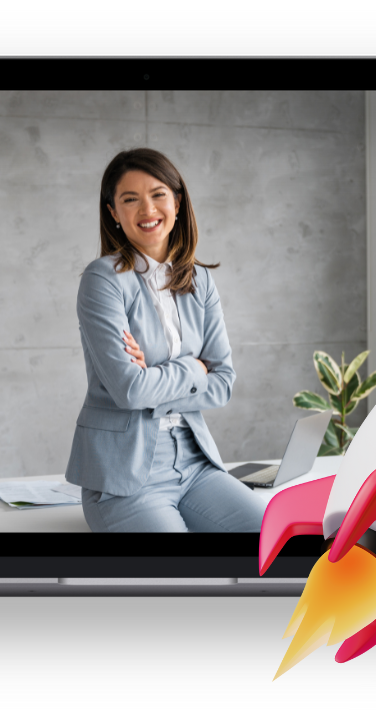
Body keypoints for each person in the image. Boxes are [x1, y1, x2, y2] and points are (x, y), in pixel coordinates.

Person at [65, 148, 265, 532]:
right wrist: (193, 368)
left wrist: (154, 377)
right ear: (113, 213)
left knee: (273, 541)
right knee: (183, 581)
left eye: (158, 194)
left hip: (195, 464)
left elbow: (222, 383)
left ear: (177, 201)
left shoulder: (200, 281)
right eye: (130, 199)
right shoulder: (102, 279)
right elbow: (129, 391)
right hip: (125, 478)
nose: (147, 208)